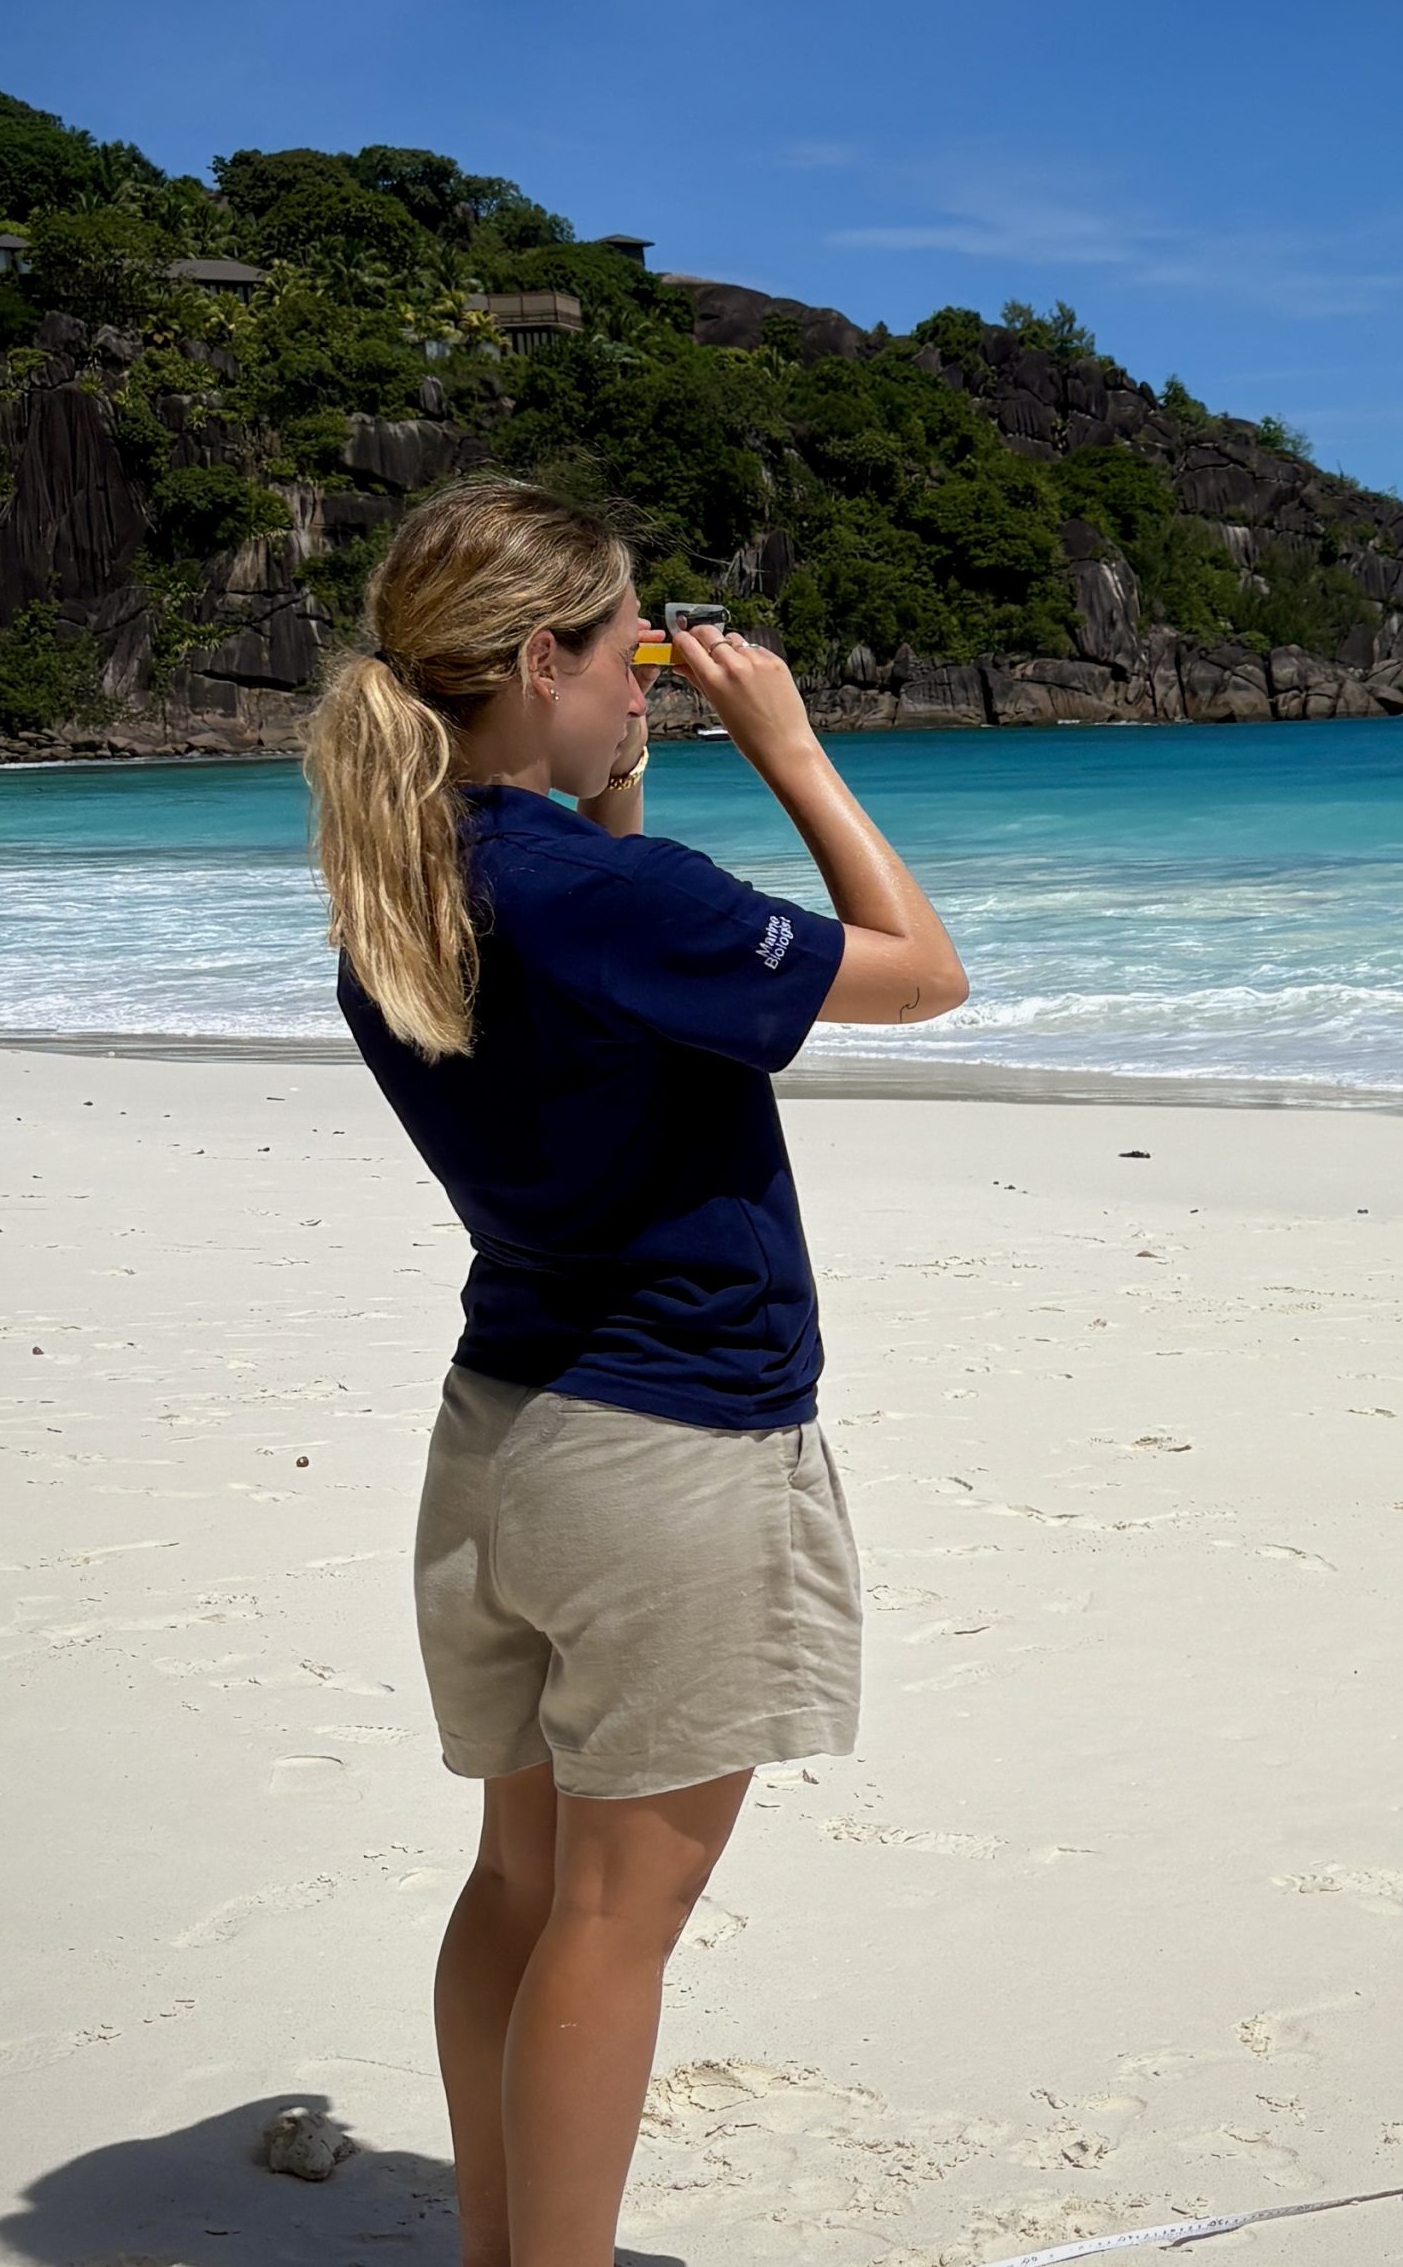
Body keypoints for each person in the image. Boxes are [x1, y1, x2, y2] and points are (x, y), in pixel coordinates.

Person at [302, 477, 967, 2267]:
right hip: (669, 1447)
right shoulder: (603, 900)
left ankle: (505, 2251)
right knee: (617, 1919)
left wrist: (612, 778)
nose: (651, 687)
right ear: (541, 657)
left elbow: (577, 945)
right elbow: (922, 972)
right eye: (628, 657)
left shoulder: (405, 880)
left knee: (521, 1887)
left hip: (504, 1432)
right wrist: (795, 751)